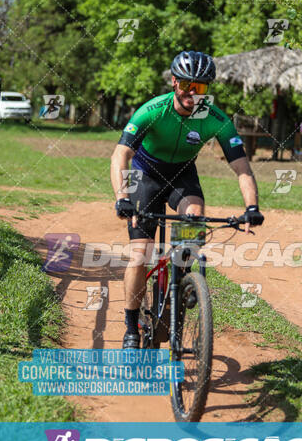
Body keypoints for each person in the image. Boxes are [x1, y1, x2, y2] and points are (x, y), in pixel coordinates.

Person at [110, 50, 264, 349]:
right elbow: (121, 154)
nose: (191, 94)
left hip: (182, 174)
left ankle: (181, 281)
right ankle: (131, 327)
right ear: (174, 82)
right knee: (141, 254)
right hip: (146, 175)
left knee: (193, 216)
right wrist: (122, 197)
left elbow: (242, 167)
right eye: (186, 85)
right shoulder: (153, 109)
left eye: (200, 88)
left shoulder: (215, 119)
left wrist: (252, 207)